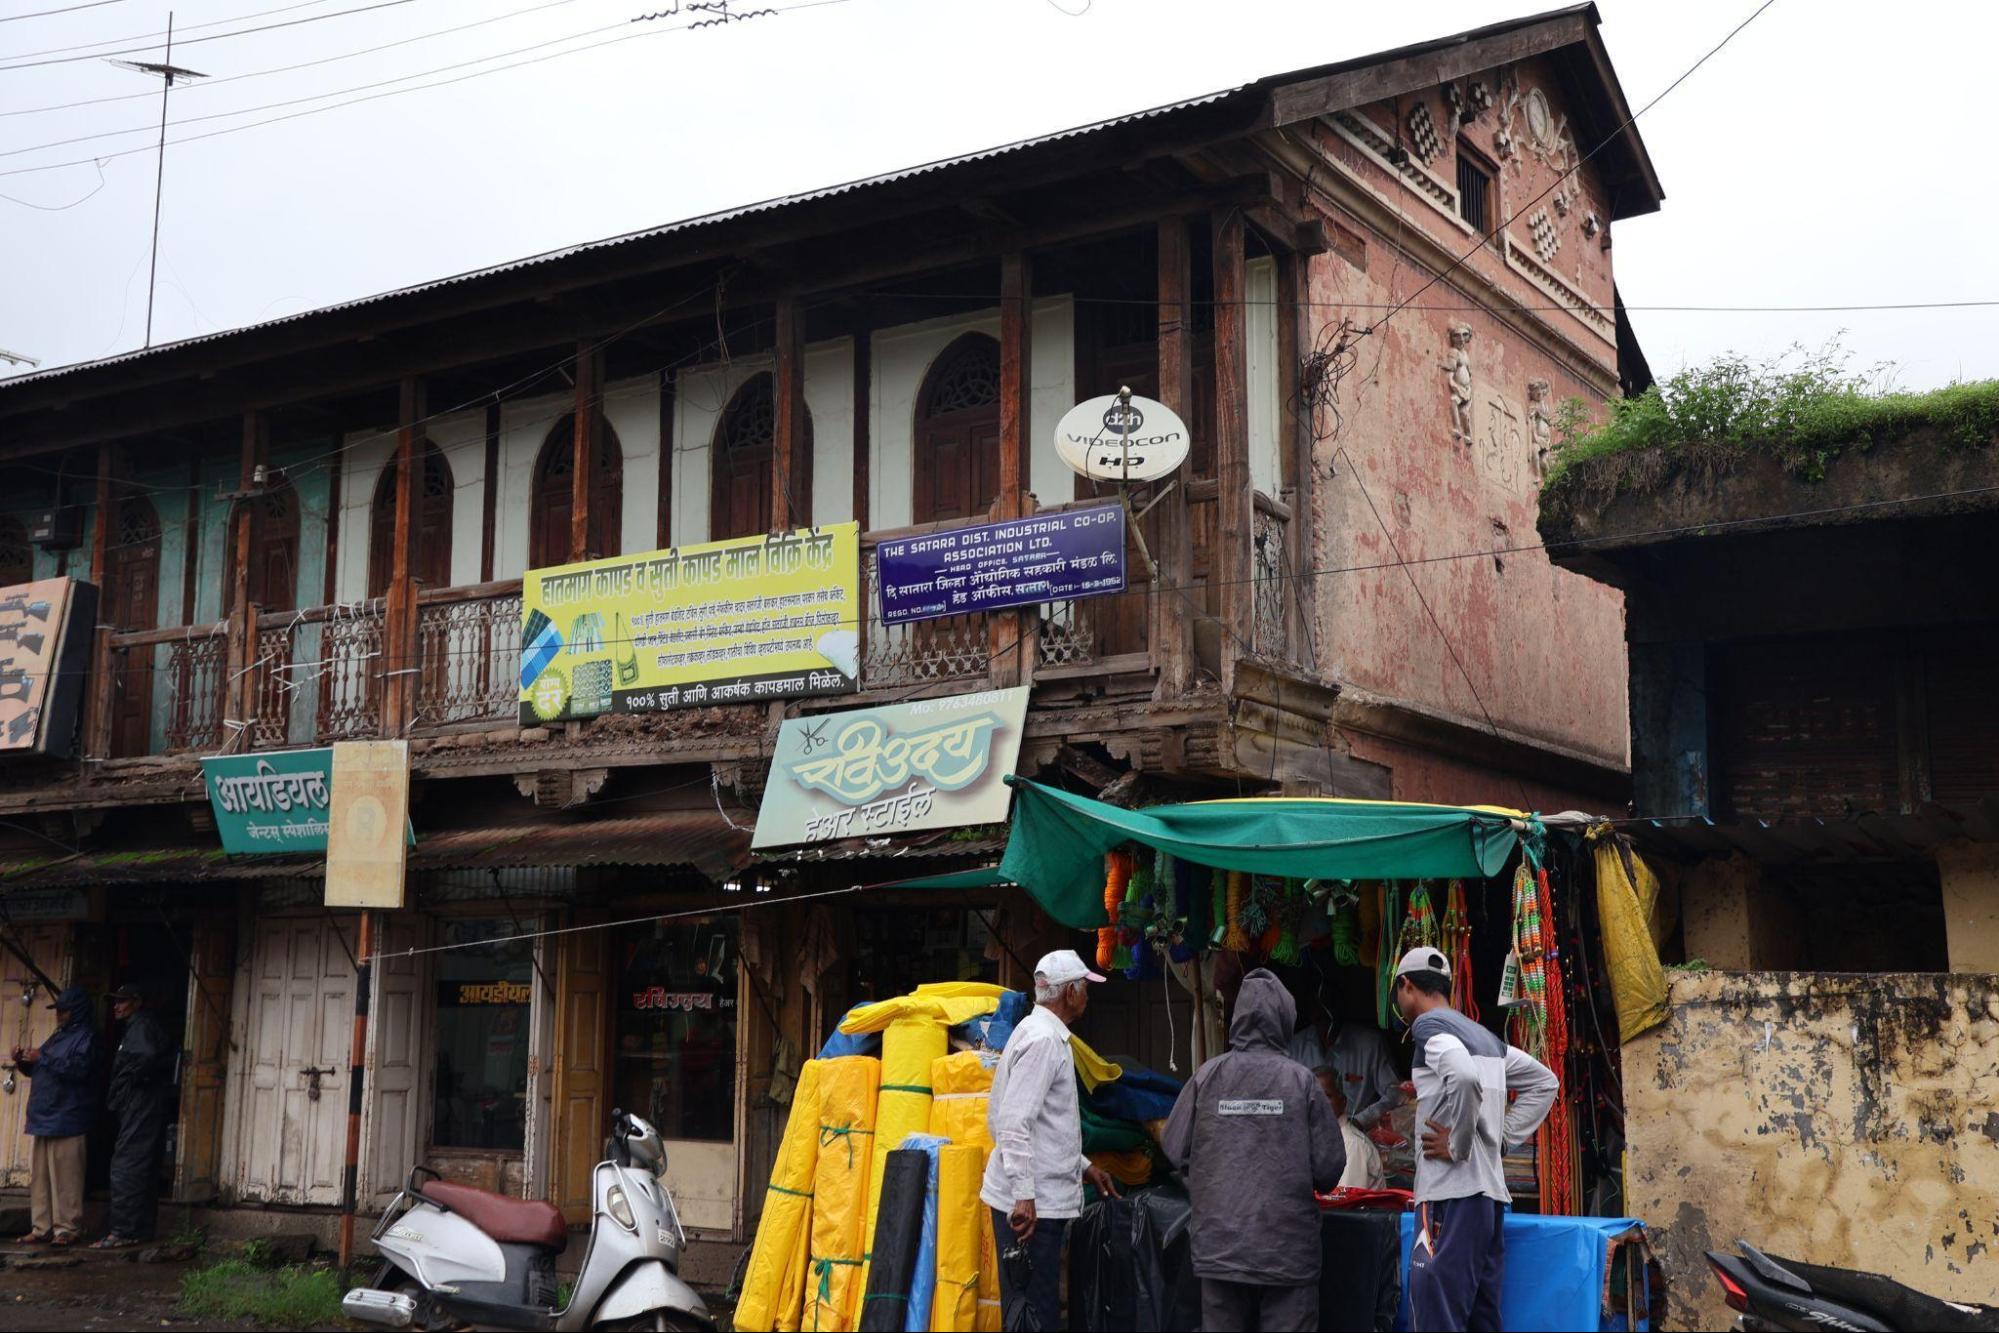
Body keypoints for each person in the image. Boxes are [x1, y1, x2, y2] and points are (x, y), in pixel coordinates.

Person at [1162, 968, 1345, 1332]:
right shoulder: (1301, 1081)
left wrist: (1205, 1176)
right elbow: (1328, 1170)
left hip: (1220, 1250)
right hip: (1286, 1254)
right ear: (1285, 1019)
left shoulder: (1207, 1076)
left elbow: (1172, 1146)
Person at [1392, 947, 1558, 1333]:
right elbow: (1545, 1082)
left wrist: (1459, 1144)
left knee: (1437, 1314)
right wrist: (1499, 1139)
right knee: (1482, 1318)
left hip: (1449, 1199)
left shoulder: (1429, 1027)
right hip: (1488, 1201)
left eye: (1398, 992)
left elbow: (1463, 1076)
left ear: (1406, 985)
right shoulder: (1484, 1037)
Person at [979, 949, 1121, 1331]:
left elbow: (1042, 1125)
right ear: (1069, 993)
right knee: (1033, 1311)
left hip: (1033, 1199)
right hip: (1031, 1208)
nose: (1088, 997)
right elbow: (1013, 1122)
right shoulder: (1042, 1041)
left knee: (1031, 1307)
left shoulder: (1038, 1032)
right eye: (1084, 988)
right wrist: (1024, 1195)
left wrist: (1084, 1166)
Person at [10, 986, 100, 1247]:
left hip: (69, 1116)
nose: (59, 1015)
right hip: (45, 1115)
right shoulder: (58, 1036)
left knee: (66, 1178)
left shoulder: (87, 1037)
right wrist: (24, 1061)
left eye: (64, 1011)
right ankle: (42, 1228)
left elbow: (79, 1071)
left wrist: (43, 1057)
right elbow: (42, 1069)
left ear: (77, 1011)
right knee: (41, 1179)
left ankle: (67, 1229)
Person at [98, 983, 176, 1248]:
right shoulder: (137, 1026)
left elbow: (147, 1056)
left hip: (140, 1104)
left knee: (126, 1165)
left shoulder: (140, 1026)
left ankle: (122, 1231)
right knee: (141, 1165)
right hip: (142, 1104)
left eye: (123, 1001)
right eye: (115, 1002)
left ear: (136, 1002)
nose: (117, 1006)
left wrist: (130, 1081)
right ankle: (139, 1230)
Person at [1288, 995, 1405, 1131]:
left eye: (1328, 1008)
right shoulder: (1296, 1046)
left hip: (1359, 1134)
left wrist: (1360, 1121)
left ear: (1340, 1009)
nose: (1323, 1015)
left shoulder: (1370, 1044)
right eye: (1317, 1009)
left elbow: (1396, 1092)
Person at [1314, 1067, 1387, 1190]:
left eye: (1327, 1096)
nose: (1319, 1102)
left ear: (1343, 1102)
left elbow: (1343, 1202)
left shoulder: (1351, 1145)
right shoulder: (1315, 1140)